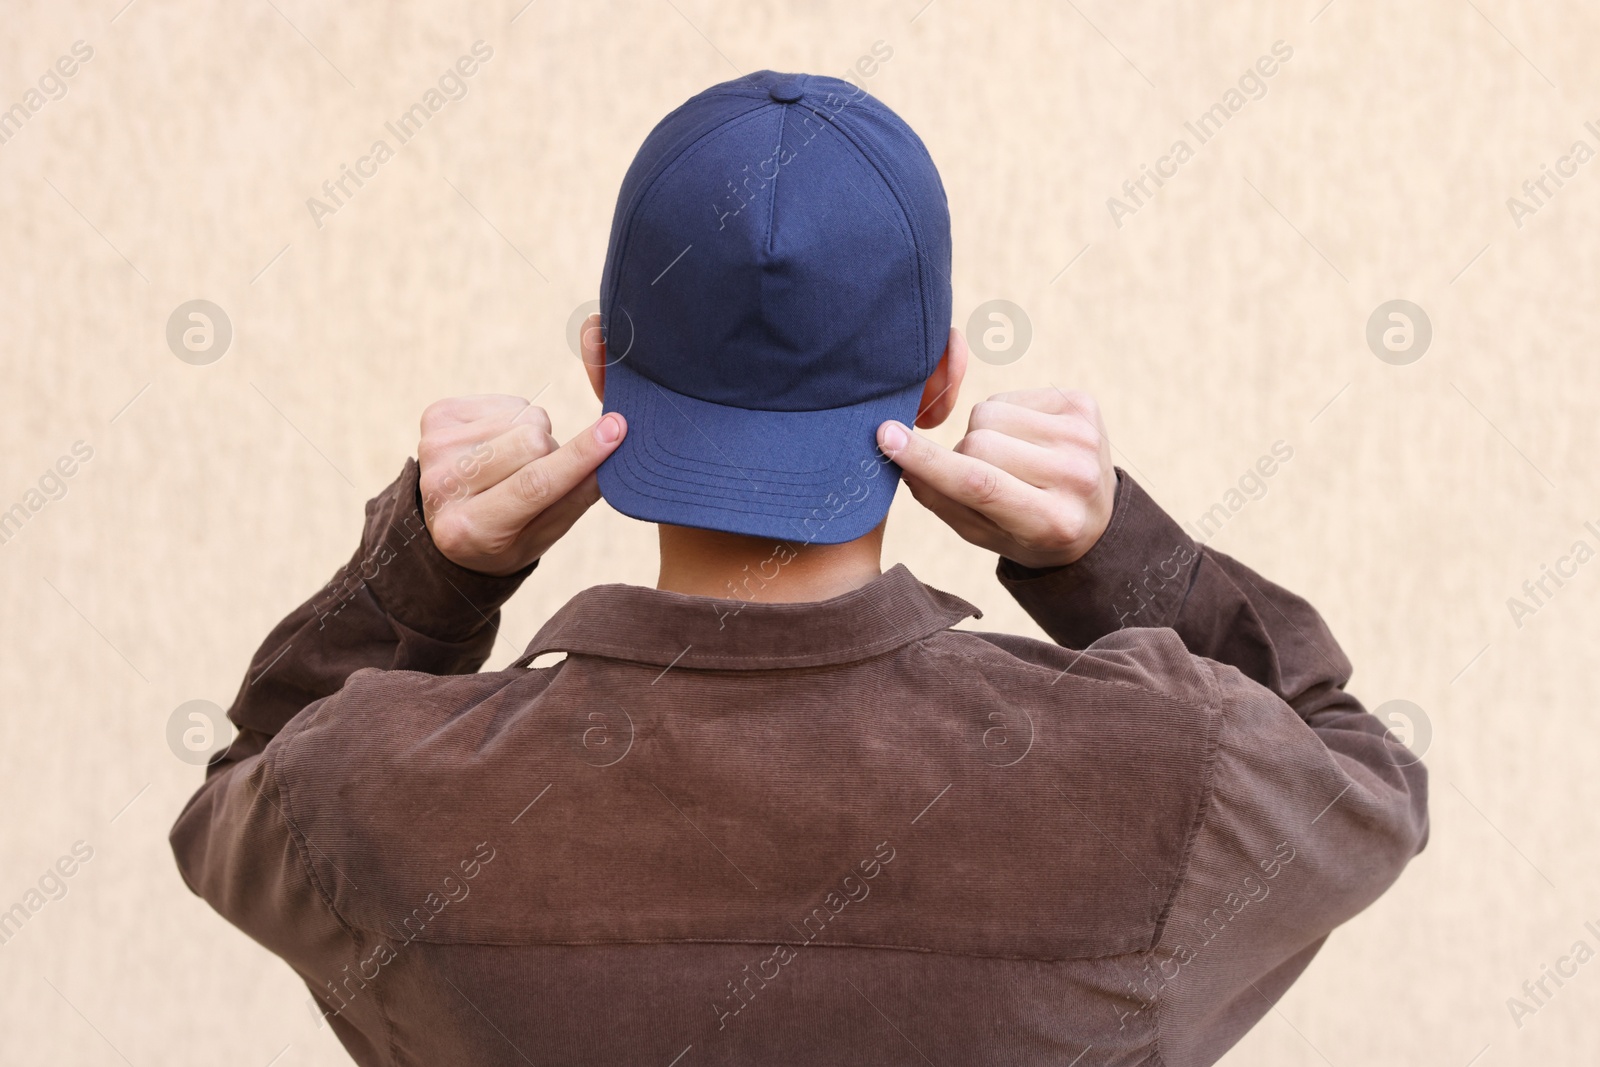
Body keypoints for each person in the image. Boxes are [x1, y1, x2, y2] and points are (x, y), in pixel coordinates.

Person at [171, 70, 1427, 1066]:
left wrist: (429, 572)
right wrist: (1113, 551)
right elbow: (1363, 773)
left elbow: (239, 793)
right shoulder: (1169, 773)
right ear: (941, 378)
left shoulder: (377, 789)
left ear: (604, 366)